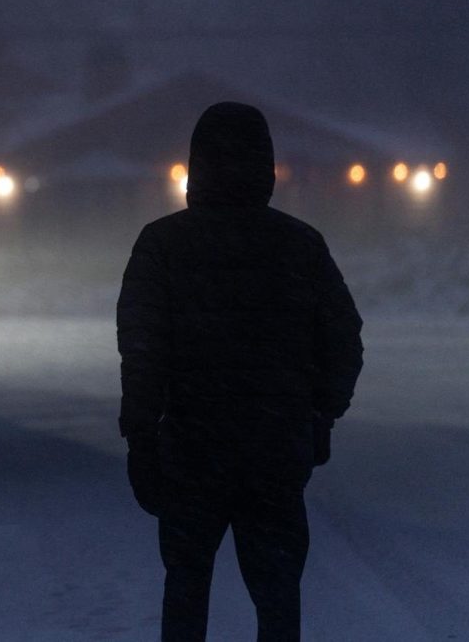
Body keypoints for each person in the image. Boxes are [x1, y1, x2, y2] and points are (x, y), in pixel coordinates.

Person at [116, 101, 363, 641]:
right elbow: (343, 341)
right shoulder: (300, 245)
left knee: (186, 592)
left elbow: (143, 353)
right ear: (266, 165)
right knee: (277, 601)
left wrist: (141, 439)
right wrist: (319, 415)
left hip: (190, 454)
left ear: (195, 165)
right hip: (274, 455)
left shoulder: (162, 245)